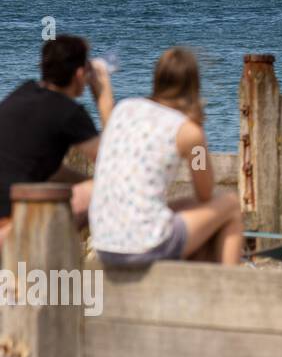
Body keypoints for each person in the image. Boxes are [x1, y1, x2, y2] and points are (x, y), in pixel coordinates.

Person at [90, 48, 245, 266]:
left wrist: (102, 79)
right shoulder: (190, 133)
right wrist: (198, 139)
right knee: (230, 204)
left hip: (105, 243)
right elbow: (205, 192)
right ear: (193, 84)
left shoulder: (124, 109)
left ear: (157, 78)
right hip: (146, 246)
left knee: (181, 206)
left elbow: (105, 106)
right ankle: (230, 289)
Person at [0, 35, 114, 246]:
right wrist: (104, 96)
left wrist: (85, 179)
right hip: (12, 228)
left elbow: (45, 168)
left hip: (9, 213)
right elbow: (117, 168)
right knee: (108, 189)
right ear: (80, 74)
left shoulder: (23, 92)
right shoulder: (69, 113)